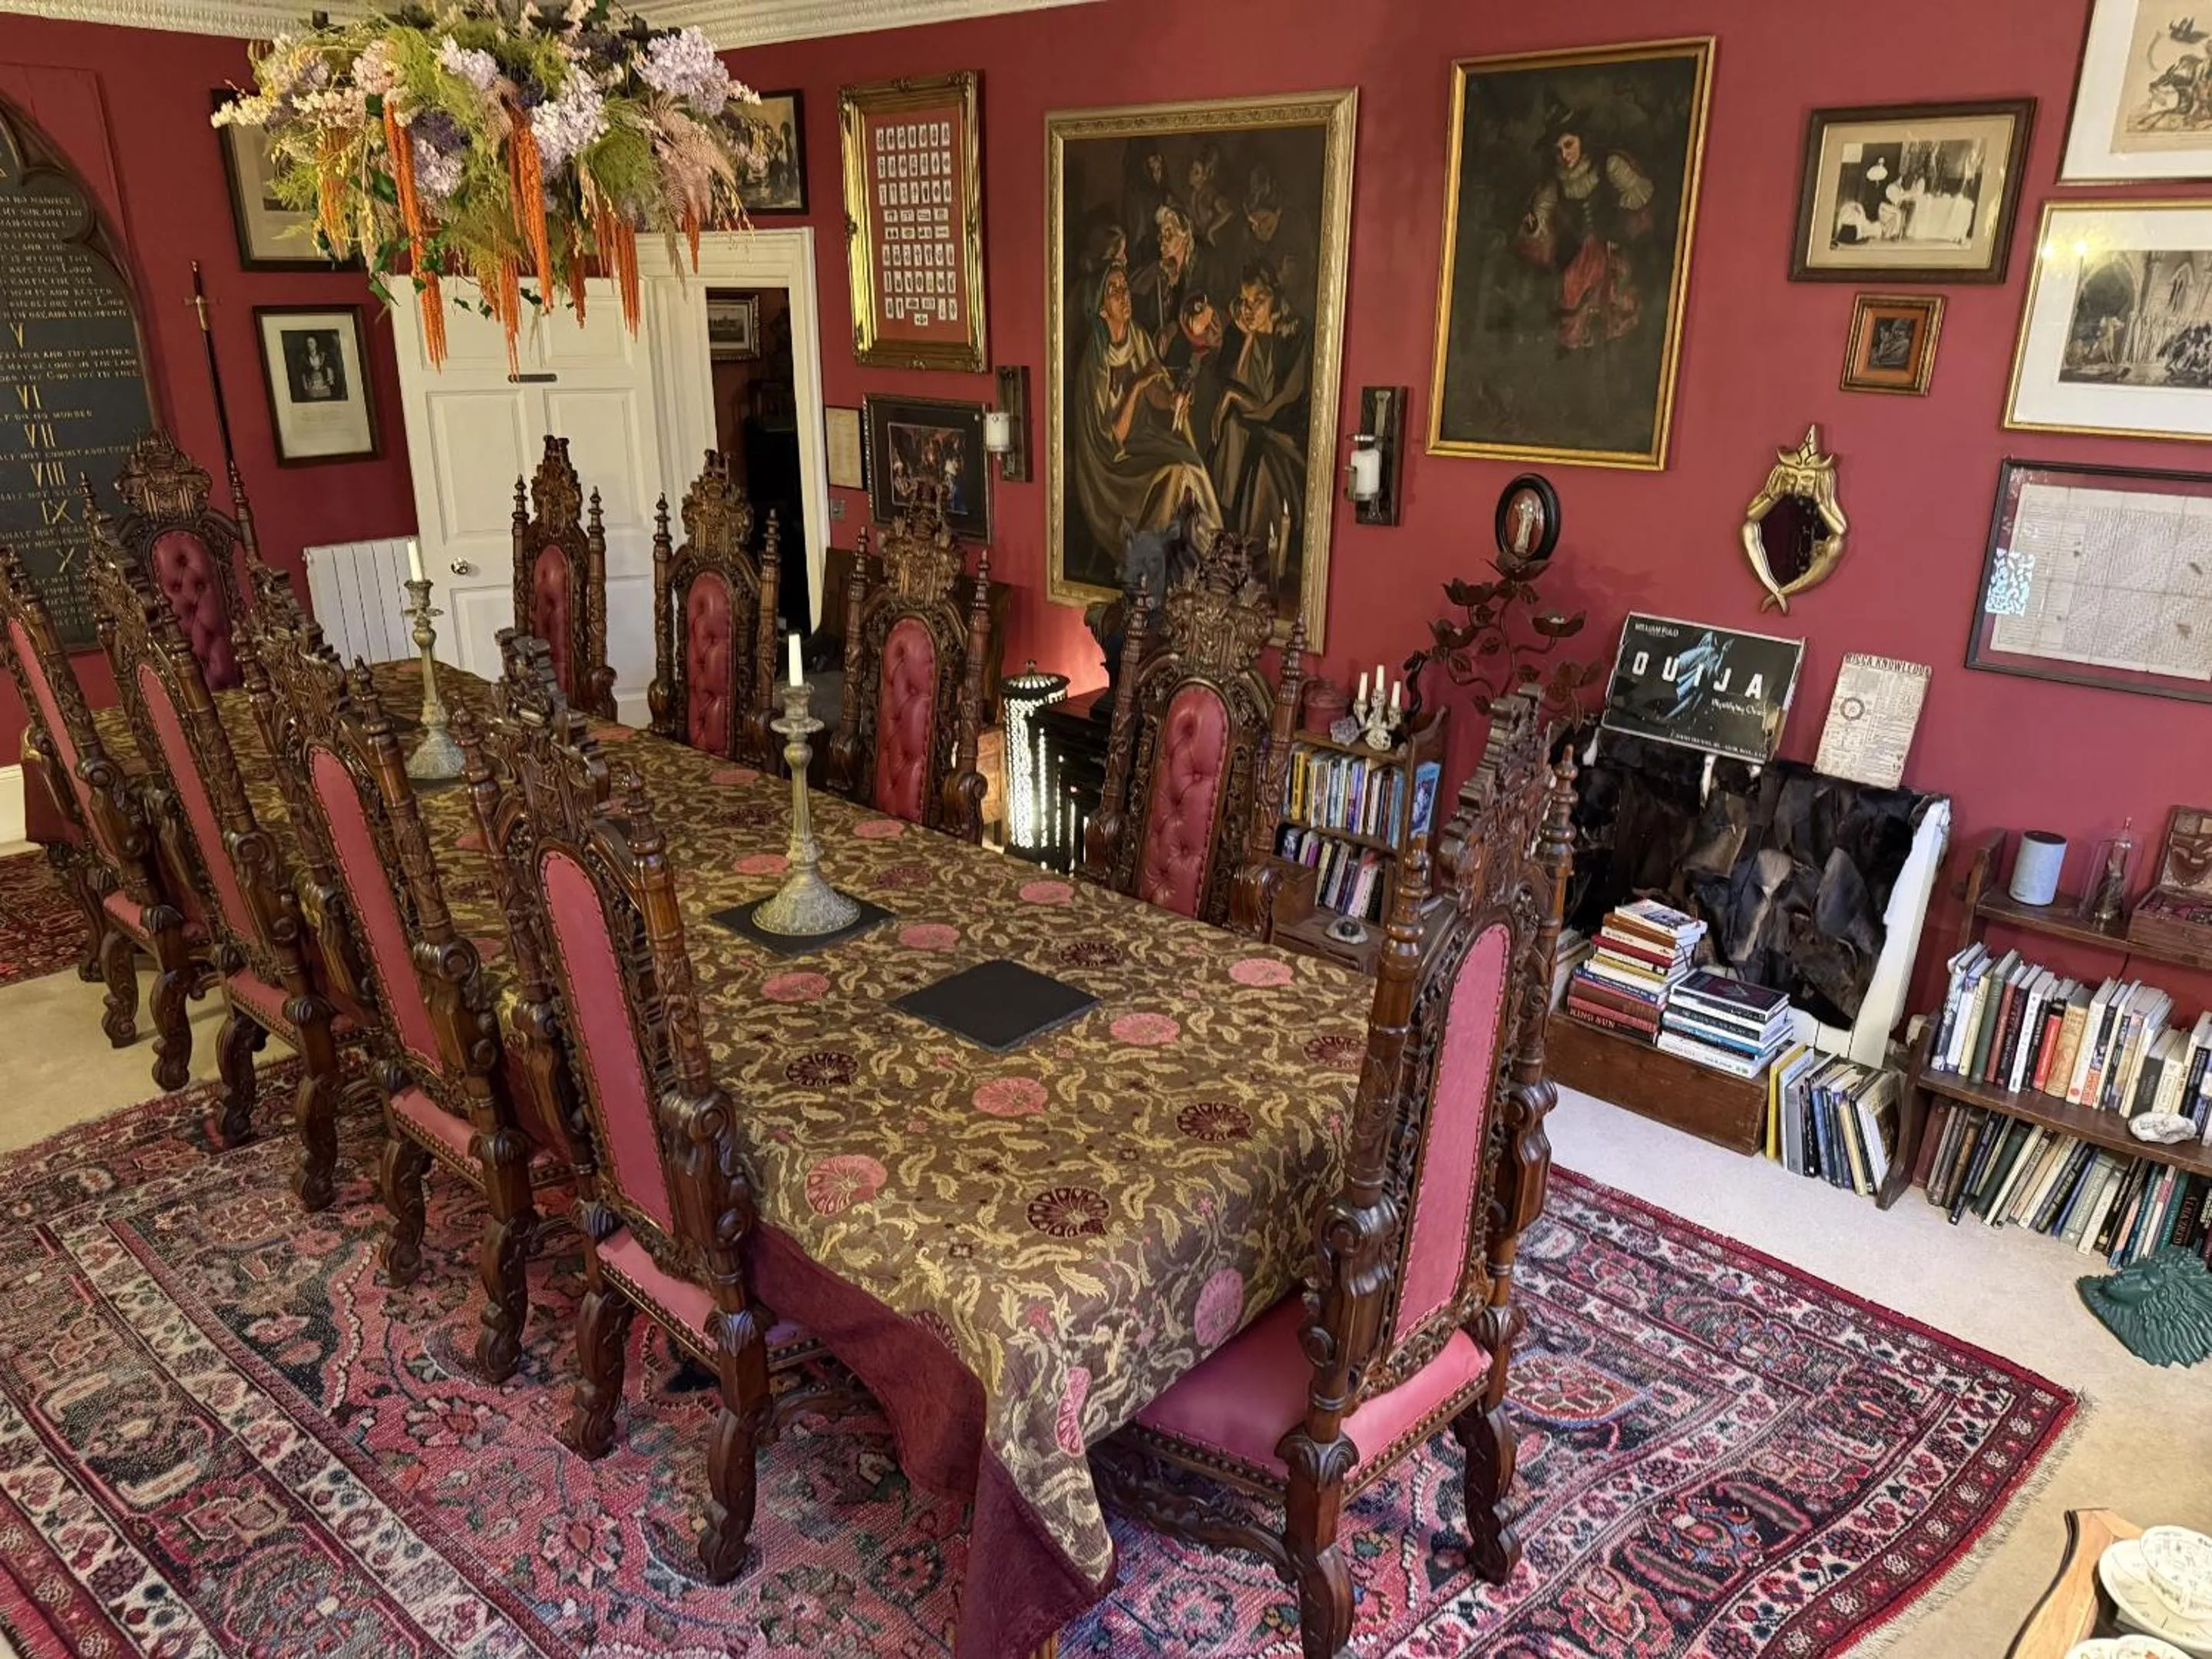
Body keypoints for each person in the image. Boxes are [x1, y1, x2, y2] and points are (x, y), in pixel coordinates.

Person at [1069, 266, 1221, 571]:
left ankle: (1211, 556)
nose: (1124, 296)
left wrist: (1173, 399)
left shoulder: (1137, 337)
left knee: (1191, 463)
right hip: (1109, 464)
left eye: (1125, 287)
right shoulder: (1095, 362)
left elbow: (1156, 392)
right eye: (1113, 291)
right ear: (1101, 309)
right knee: (1173, 473)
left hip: (1140, 442)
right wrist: (1136, 386)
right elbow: (1114, 437)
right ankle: (1149, 564)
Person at [1513, 104, 1655, 350]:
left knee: (1617, 296)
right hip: (1576, 252)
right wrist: (1534, 224)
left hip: (1613, 246)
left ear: (1582, 140)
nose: (1565, 155)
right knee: (1571, 289)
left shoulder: (1608, 165)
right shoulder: (1556, 182)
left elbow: (1638, 192)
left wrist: (1616, 216)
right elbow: (1542, 210)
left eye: (1569, 145)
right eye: (1558, 151)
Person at [1210, 262, 1310, 601]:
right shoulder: (1248, 338)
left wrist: (1234, 396)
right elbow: (1240, 386)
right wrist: (1249, 337)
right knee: (1233, 431)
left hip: (1286, 443)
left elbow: (1276, 406)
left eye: (1259, 300)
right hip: (1257, 433)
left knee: (1259, 458)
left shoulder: (1295, 339)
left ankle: (1252, 559)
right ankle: (1228, 539)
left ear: (1276, 299)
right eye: (1244, 301)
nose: (1250, 309)